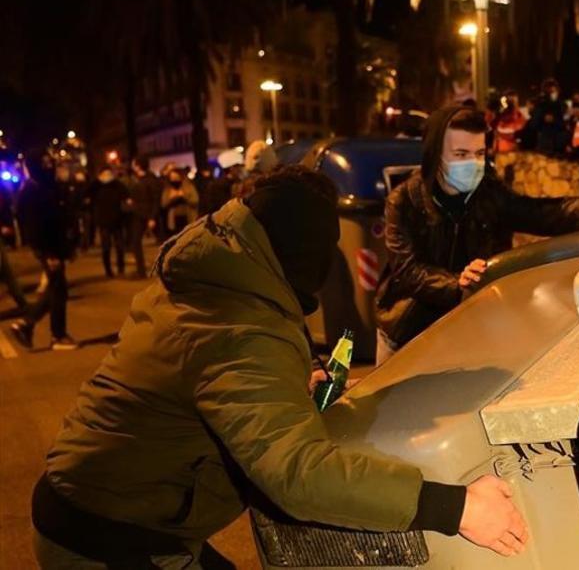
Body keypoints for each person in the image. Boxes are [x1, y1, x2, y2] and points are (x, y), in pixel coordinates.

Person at [30, 166, 530, 568]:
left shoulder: (220, 271)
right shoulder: (237, 325)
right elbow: (297, 473)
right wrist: (456, 507)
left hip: (114, 513)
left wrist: (290, 389)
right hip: (107, 539)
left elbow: (221, 392)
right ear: (300, 257)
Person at [374, 106, 579, 362]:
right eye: (460, 155)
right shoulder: (404, 200)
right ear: (435, 155)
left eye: (480, 153)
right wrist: (457, 283)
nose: (473, 163)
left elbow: (540, 213)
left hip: (465, 329)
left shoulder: (488, 193)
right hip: (407, 334)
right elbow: (407, 271)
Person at [7, 153, 74, 350]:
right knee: (58, 290)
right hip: (48, 248)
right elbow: (36, 226)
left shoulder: (42, 187)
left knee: (56, 289)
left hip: (53, 247)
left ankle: (27, 325)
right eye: (46, 163)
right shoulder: (33, 190)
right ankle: (56, 335)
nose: (50, 166)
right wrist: (49, 252)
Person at [125, 157, 160, 279]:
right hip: (138, 213)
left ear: (138, 165)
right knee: (135, 242)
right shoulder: (138, 179)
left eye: (134, 163)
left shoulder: (150, 180)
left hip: (147, 214)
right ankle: (141, 271)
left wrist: (152, 217)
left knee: (163, 241)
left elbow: (155, 200)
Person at [91, 167, 129, 279]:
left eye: (109, 174)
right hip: (103, 222)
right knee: (106, 247)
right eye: (105, 174)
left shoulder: (117, 185)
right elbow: (87, 192)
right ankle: (108, 270)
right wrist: (97, 181)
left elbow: (126, 194)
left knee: (120, 247)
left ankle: (121, 268)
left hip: (117, 221)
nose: (107, 176)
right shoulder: (97, 186)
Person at [525, 79, 570, 155]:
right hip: (545, 144)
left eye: (553, 91)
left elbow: (565, 123)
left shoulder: (562, 105)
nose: (552, 94)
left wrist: (554, 120)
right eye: (549, 92)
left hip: (559, 144)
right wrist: (542, 118)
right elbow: (534, 124)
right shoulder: (540, 106)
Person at [160, 168, 199, 237]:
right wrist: (173, 200)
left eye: (176, 177)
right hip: (173, 220)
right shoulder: (168, 190)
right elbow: (163, 204)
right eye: (172, 178)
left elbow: (195, 201)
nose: (174, 180)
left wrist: (184, 198)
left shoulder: (188, 187)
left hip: (188, 217)